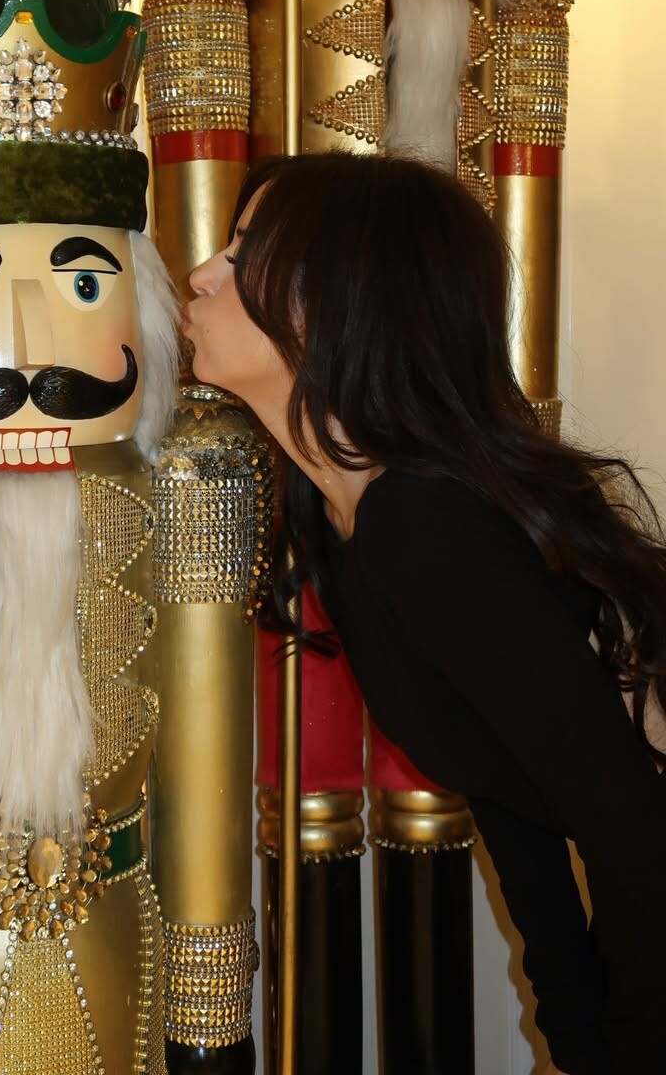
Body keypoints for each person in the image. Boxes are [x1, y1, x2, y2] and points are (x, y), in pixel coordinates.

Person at [184, 150, 666, 1075]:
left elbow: (633, 833)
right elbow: (512, 796)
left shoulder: (421, 523)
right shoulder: (350, 526)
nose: (203, 273)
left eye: (244, 254)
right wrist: (577, 1041)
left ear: (335, 302)